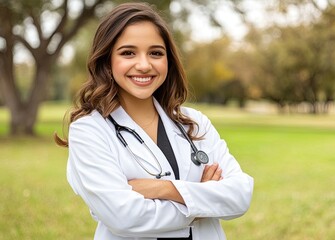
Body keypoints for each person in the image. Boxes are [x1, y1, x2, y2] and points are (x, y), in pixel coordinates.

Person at [54, 2, 254, 240]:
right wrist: (203, 202)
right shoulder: (89, 130)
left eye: (156, 53)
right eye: (128, 52)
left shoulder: (195, 123)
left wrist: (163, 189)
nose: (144, 65)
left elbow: (240, 195)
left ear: (168, 60)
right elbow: (124, 217)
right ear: (107, 60)